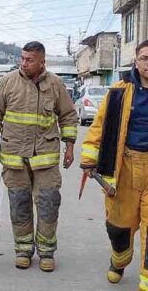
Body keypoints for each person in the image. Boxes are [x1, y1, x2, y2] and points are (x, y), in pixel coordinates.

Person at [0, 41, 78, 272]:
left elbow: (67, 116)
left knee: (48, 205)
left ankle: (46, 251)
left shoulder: (55, 84)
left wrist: (70, 147)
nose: (24, 63)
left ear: (42, 62)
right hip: (15, 156)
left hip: (45, 157)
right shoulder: (8, 81)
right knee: (19, 205)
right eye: (22, 58)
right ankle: (23, 249)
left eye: (29, 60)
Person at [81, 40, 148, 290]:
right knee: (120, 226)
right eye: (145, 58)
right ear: (136, 61)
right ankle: (119, 261)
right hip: (125, 168)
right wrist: (89, 158)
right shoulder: (119, 92)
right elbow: (99, 126)